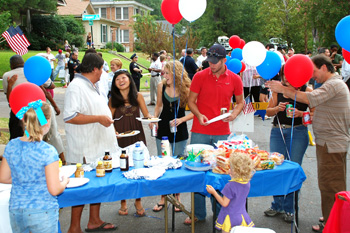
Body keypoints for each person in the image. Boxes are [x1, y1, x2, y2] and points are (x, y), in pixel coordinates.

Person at [266, 54, 350, 232]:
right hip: (328, 142)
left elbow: (309, 100)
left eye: (314, 71)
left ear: (324, 68)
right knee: (329, 183)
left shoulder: (333, 85)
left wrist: (283, 89)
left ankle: (332, 224)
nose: (312, 76)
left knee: (331, 184)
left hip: (331, 143)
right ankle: (331, 217)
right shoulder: (331, 84)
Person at [185, 44, 244, 225]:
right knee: (197, 172)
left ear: (224, 60)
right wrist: (198, 114)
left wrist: (234, 114)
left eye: (215, 62)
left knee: (220, 174)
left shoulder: (234, 79)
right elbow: (191, 101)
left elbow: (240, 102)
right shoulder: (199, 76)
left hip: (222, 134)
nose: (211, 64)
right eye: (209, 61)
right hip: (200, 131)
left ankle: (220, 213)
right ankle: (198, 213)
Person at [64, 53, 118, 232]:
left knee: (97, 184)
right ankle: (74, 227)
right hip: (85, 147)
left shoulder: (92, 85)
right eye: (102, 68)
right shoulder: (76, 86)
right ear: (95, 69)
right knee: (82, 188)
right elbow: (70, 116)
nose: (103, 72)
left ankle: (94, 220)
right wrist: (99, 118)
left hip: (98, 145)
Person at [0, 101, 69, 233]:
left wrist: (24, 179)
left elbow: (3, 177)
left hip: (17, 210)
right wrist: (64, 182)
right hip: (43, 211)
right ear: (47, 122)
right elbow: (54, 189)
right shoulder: (47, 151)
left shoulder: (11, 146)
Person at [264, 65, 313, 223]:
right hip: (278, 132)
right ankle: (277, 204)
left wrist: (302, 113)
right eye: (283, 75)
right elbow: (267, 112)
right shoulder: (278, 90)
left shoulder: (308, 91)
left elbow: (314, 113)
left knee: (293, 169)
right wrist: (277, 108)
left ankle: (290, 208)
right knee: (277, 168)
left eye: (288, 75)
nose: (285, 78)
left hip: (298, 132)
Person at [150, 61, 193, 212]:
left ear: (176, 73)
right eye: (164, 72)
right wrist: (154, 119)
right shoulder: (161, 85)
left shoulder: (186, 88)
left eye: (167, 73)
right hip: (163, 130)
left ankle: (177, 197)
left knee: (177, 164)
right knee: (163, 163)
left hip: (179, 131)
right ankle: (163, 198)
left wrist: (181, 120)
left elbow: (196, 111)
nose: (164, 75)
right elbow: (158, 106)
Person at [109, 70, 152, 217]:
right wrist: (114, 133)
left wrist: (151, 121)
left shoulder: (138, 96)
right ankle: (123, 202)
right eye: (117, 79)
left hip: (137, 136)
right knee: (122, 168)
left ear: (129, 79)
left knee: (138, 167)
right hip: (120, 137)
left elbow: (146, 115)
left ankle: (138, 201)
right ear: (115, 84)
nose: (121, 81)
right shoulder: (113, 99)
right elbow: (109, 119)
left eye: (123, 77)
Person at [206, 152, 255, 232]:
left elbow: (224, 203)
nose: (229, 170)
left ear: (236, 171)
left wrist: (214, 192)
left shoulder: (230, 186)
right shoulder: (247, 183)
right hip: (242, 216)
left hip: (230, 217)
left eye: (231, 169)